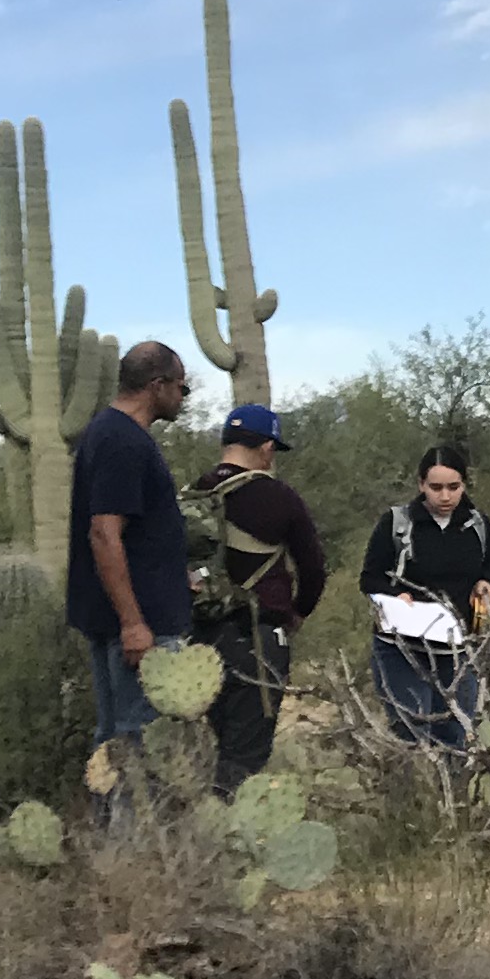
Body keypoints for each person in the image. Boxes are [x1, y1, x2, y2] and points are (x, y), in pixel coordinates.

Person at [67, 339, 195, 789]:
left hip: (119, 615)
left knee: (116, 745)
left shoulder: (107, 432)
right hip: (139, 625)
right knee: (139, 744)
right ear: (156, 386)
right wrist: (134, 622)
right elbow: (104, 533)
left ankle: (114, 848)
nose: (183, 397)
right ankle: (134, 849)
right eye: (183, 388)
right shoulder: (122, 440)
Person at [190, 405, 329, 794]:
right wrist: (297, 612)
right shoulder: (278, 496)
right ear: (267, 447)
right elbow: (314, 569)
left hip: (197, 643)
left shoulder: (194, 491)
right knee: (245, 754)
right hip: (257, 638)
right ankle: (226, 838)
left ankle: (196, 829)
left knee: (212, 741)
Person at [354, 442, 490, 751]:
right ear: (420, 485)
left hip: (458, 649)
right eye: (436, 487)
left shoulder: (476, 524)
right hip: (401, 648)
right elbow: (370, 578)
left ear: (464, 485)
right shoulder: (397, 524)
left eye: (454, 486)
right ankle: (418, 797)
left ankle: (456, 797)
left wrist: (486, 581)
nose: (445, 496)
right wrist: (395, 595)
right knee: (413, 731)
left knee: (459, 734)